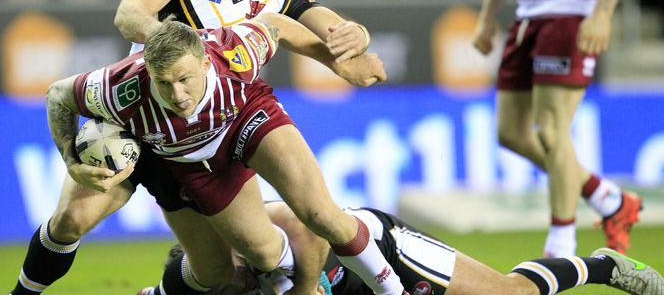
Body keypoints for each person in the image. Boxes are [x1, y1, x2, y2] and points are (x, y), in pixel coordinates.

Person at [9, 0, 387, 295]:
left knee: (222, 274)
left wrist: (359, 36)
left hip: (203, 138)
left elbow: (337, 35)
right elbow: (129, 14)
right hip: (137, 119)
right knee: (71, 219)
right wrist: (188, 52)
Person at [12, 13, 405, 295]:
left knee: (322, 215)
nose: (177, 94)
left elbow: (278, 23)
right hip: (186, 163)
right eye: (164, 84)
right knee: (230, 266)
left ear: (203, 61)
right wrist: (71, 159)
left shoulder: (235, 51)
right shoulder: (119, 87)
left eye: (184, 79)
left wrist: (337, 60)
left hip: (244, 118)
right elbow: (57, 95)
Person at [472, 0, 641, 258]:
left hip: (572, 11)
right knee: (510, 133)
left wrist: (602, 13)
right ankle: (609, 199)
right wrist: (487, 15)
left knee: (551, 129)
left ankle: (561, 244)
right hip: (529, 12)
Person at [145, 201, 664, 295]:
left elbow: (299, 223)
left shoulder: (252, 241)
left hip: (379, 248)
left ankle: (602, 266)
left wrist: (304, 286)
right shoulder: (192, 282)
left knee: (509, 294)